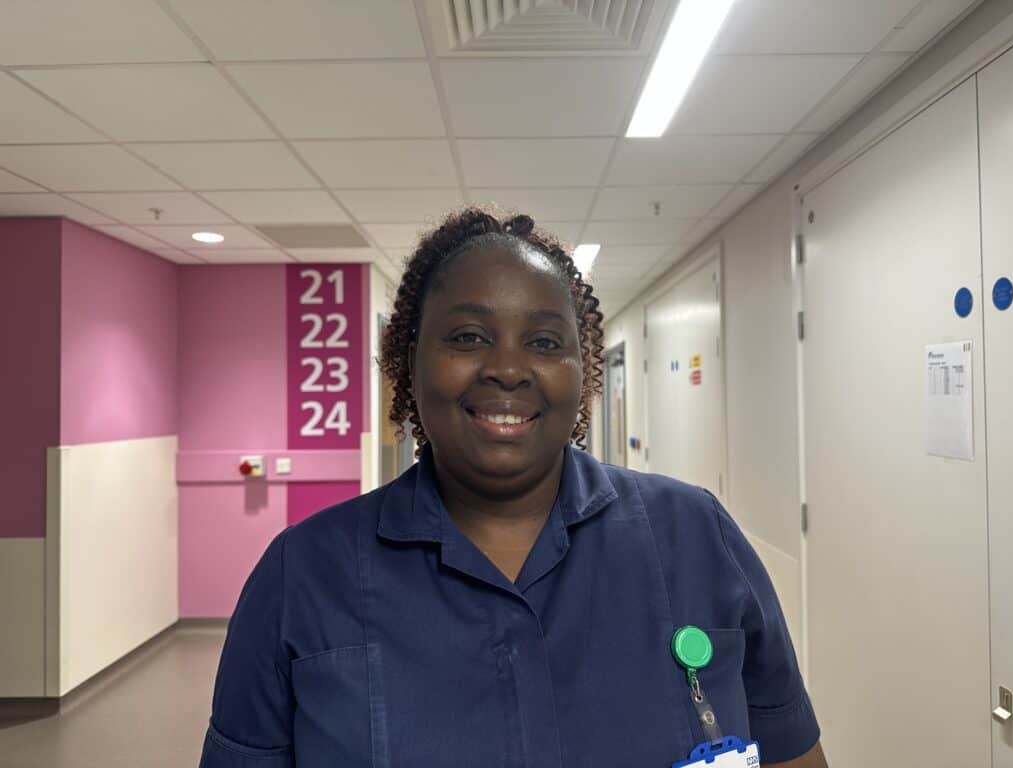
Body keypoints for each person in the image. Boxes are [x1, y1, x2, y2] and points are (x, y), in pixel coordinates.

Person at [198, 207, 827, 767]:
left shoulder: (695, 536)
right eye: (468, 337)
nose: (506, 368)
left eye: (545, 342)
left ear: (581, 370)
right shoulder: (303, 576)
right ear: (410, 362)